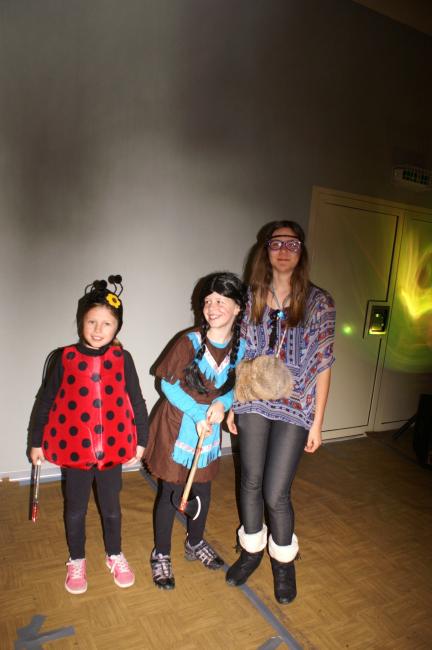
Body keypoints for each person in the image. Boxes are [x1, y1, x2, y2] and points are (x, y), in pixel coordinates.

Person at [226, 221, 336, 604]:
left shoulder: (319, 302)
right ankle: (251, 550)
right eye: (277, 243)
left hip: (296, 404)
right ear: (266, 249)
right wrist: (232, 403)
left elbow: (323, 364)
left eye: (292, 243)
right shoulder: (250, 296)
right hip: (253, 399)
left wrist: (317, 423)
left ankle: (283, 562)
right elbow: (239, 352)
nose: (284, 250)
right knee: (250, 481)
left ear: (301, 250)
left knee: (275, 492)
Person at [29, 275, 148, 595]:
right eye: (91, 322)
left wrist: (142, 440)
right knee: (75, 508)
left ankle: (115, 554)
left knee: (112, 508)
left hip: (113, 449)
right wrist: (36, 442)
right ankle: (77, 559)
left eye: (106, 323)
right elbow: (45, 401)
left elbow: (137, 400)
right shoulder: (65, 357)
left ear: (117, 327)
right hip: (75, 450)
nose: (98, 329)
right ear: (81, 321)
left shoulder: (123, 359)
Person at [145, 272, 246, 590]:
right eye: (208, 301)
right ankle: (161, 553)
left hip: (209, 427)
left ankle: (195, 541)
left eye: (221, 301)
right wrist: (198, 412)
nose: (212, 307)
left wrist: (223, 404)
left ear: (238, 307)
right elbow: (167, 384)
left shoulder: (241, 347)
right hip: (178, 425)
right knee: (171, 493)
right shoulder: (188, 341)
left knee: (202, 489)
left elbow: (237, 385)